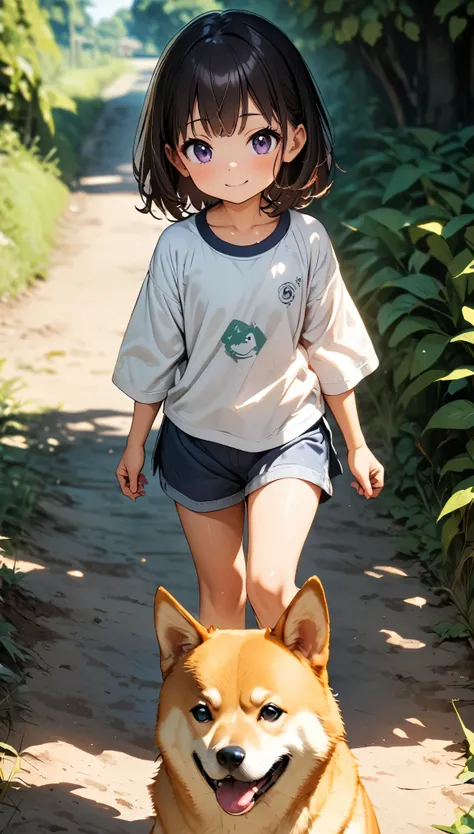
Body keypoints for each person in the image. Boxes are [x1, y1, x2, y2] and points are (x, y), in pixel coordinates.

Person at [112, 10, 384, 632]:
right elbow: (156, 349)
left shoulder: (307, 243)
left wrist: (358, 442)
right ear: (178, 156)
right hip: (197, 443)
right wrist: (136, 440)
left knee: (269, 583)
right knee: (224, 599)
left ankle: (312, 716)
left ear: (291, 139)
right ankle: (227, 725)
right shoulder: (179, 250)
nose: (232, 165)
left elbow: (330, 348)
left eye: (256, 140)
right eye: (205, 146)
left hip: (288, 433)